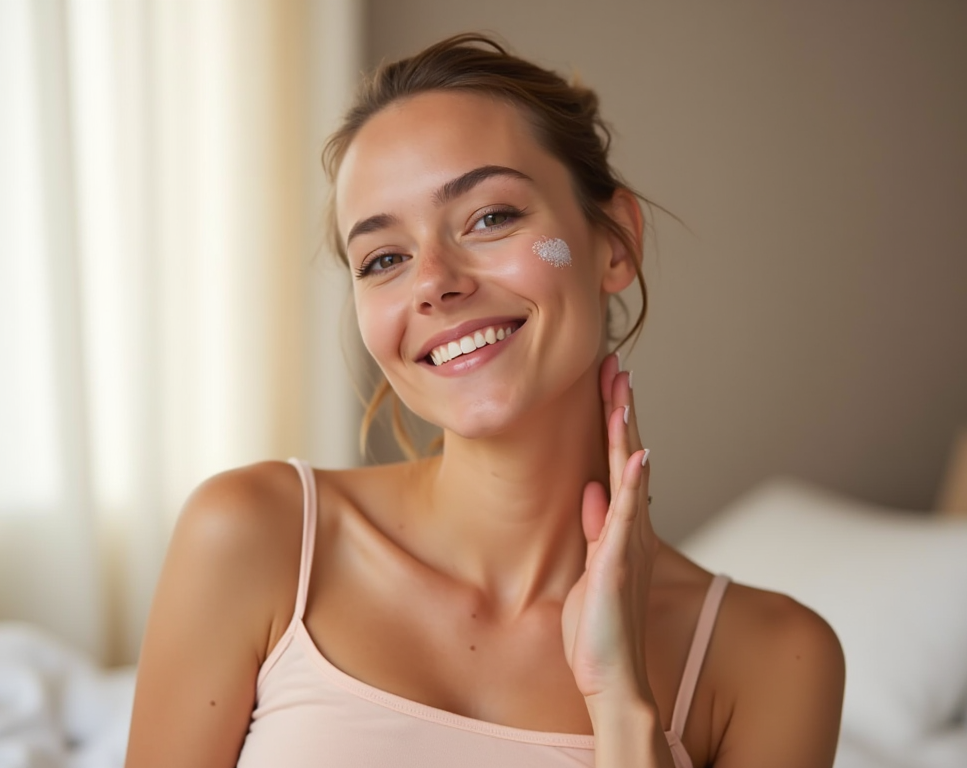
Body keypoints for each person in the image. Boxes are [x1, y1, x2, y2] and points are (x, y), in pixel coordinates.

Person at [125, 33, 844, 768]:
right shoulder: (253, 535)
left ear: (615, 244)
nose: (433, 281)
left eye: (491, 217)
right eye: (384, 259)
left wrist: (622, 705)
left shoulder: (774, 660)